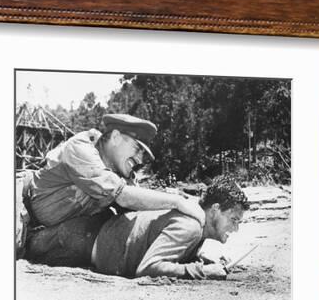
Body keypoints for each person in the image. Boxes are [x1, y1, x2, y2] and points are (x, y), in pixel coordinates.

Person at [24, 114, 205, 265]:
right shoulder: (81, 148)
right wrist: (177, 201)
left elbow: (140, 211)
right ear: (116, 137)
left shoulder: (123, 173)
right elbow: (123, 196)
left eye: (143, 155)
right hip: (23, 208)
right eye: (136, 148)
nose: (139, 159)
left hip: (50, 230)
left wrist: (191, 247)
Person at [91, 175, 250, 279]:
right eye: (233, 219)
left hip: (99, 236)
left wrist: (202, 261)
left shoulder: (197, 225)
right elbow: (148, 268)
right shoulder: (191, 226)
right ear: (215, 210)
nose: (235, 228)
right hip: (89, 244)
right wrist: (203, 271)